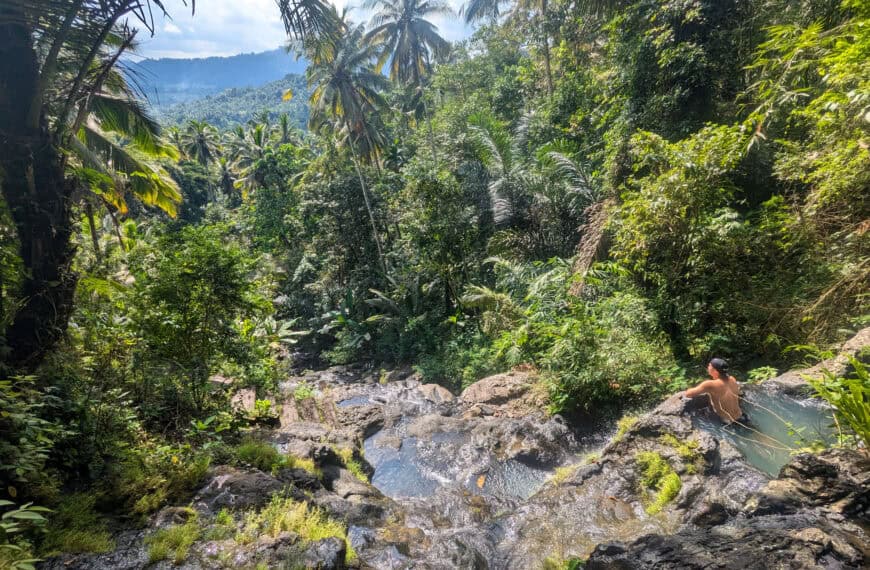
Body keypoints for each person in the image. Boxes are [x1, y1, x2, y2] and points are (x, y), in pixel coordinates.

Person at [682, 358, 747, 425]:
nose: (708, 367)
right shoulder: (732, 379)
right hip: (742, 417)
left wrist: (688, 389)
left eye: (709, 365)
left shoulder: (710, 384)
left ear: (715, 371)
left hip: (728, 422)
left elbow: (688, 394)